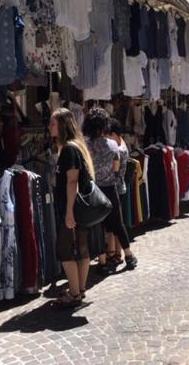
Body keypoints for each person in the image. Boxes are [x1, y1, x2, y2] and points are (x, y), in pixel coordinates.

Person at [83, 108, 137, 275]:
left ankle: (103, 261)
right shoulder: (113, 145)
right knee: (117, 224)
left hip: (94, 190)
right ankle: (128, 255)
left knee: (98, 226)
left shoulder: (85, 146)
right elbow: (117, 168)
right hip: (110, 187)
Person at [49, 108, 94, 308]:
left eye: (52, 123)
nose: (49, 127)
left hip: (73, 208)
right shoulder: (76, 147)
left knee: (66, 250)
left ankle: (75, 294)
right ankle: (80, 291)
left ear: (62, 125)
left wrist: (68, 211)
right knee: (81, 249)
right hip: (79, 208)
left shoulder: (69, 149)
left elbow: (72, 181)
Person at [106, 117, 131, 266]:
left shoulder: (118, 149)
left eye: (109, 135)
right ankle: (117, 252)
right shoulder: (122, 143)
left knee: (115, 223)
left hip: (116, 186)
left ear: (114, 134)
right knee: (116, 222)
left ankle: (116, 253)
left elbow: (114, 170)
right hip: (120, 186)